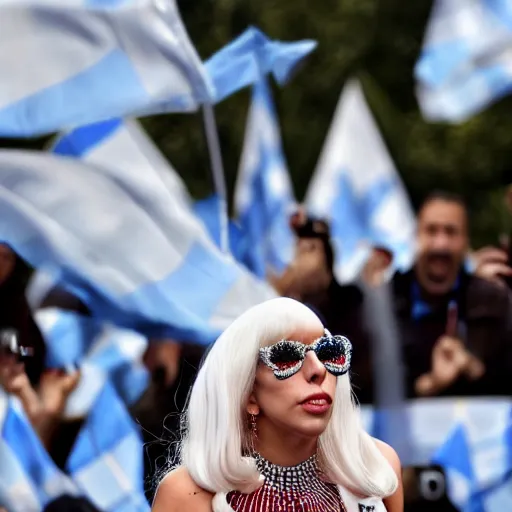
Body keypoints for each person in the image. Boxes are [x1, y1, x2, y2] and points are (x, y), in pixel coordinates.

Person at [152, 298, 403, 512]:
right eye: (287, 357)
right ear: (248, 392)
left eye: (328, 352)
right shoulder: (185, 495)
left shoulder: (377, 468)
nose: (317, 370)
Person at [391, 191, 512, 398]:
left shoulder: (494, 301)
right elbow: (362, 385)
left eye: (451, 232)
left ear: (466, 240)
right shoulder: (386, 301)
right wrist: (429, 384)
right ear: (415, 236)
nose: (440, 244)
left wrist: (474, 369)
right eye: (431, 231)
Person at [271, 209, 374, 403]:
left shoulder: (351, 300)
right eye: (298, 251)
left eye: (311, 249)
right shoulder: (283, 308)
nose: (302, 261)